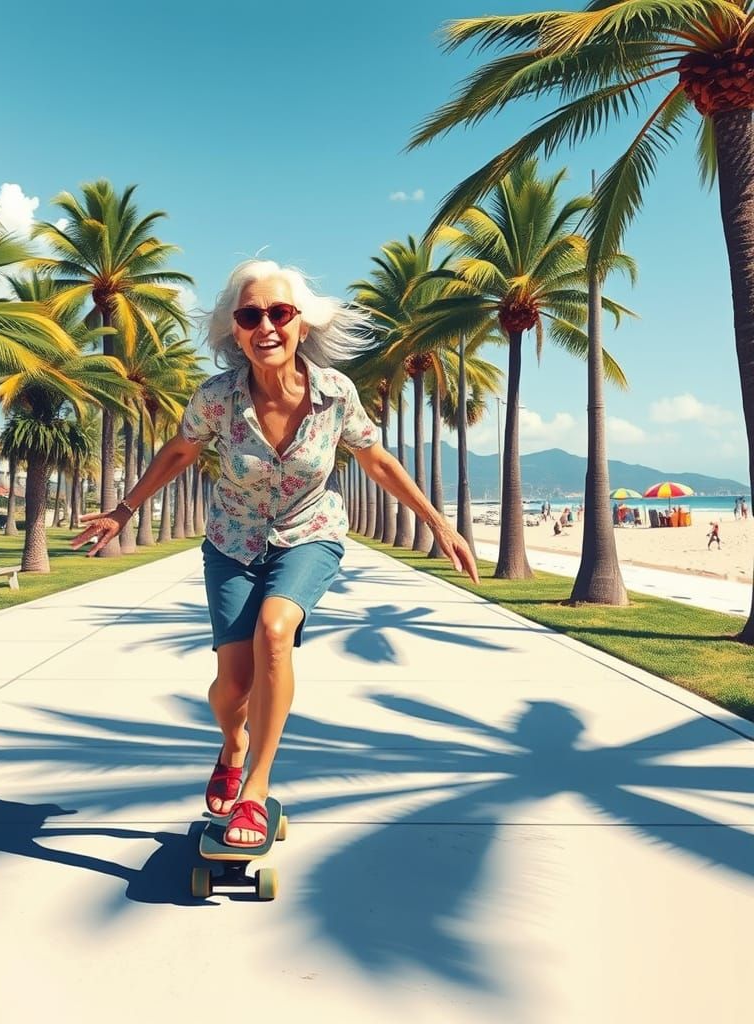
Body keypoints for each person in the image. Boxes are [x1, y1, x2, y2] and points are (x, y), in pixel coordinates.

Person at [70, 259, 479, 848]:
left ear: (302, 326)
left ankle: (255, 792)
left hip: (310, 533)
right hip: (232, 542)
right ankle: (233, 743)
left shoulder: (336, 394)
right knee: (231, 688)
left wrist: (439, 523)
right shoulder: (217, 399)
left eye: (279, 313)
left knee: (275, 629)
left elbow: (377, 461)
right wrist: (124, 510)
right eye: (250, 314)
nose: (266, 325)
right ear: (235, 331)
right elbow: (180, 453)